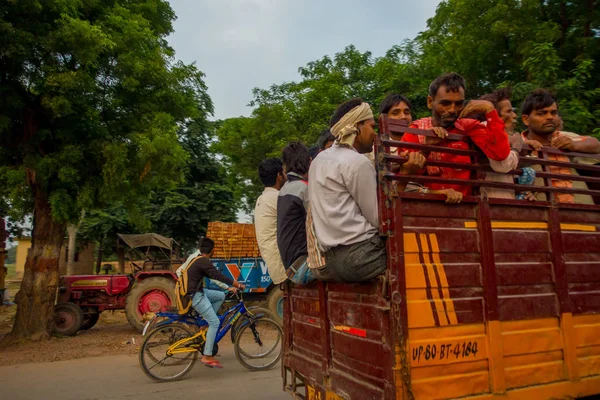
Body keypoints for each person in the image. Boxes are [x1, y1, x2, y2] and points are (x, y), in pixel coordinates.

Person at [308, 98, 425, 282]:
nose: (375, 134)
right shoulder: (357, 162)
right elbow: (382, 219)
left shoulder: (318, 160)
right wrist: (406, 175)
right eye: (371, 127)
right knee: (420, 253)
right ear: (357, 127)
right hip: (362, 257)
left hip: (332, 261)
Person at [401, 73, 513, 197]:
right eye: (445, 103)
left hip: (466, 210)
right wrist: (426, 149)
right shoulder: (415, 132)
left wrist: (489, 109)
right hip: (423, 210)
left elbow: (500, 154)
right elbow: (404, 182)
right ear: (430, 102)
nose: (452, 110)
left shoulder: (468, 127)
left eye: (459, 104)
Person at [380, 93, 463, 203]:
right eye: (395, 113)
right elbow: (395, 189)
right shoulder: (378, 150)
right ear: (383, 119)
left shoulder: (422, 140)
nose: (403, 117)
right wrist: (437, 193)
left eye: (407, 112)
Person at [520, 89, 600, 204]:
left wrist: (574, 145)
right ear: (526, 119)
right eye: (542, 113)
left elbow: (595, 144)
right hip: (542, 212)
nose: (550, 117)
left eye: (553, 113)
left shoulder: (565, 137)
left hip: (582, 211)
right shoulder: (519, 143)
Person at [187, 237, 245, 369]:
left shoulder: (197, 260)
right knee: (216, 322)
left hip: (197, 292)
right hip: (196, 295)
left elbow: (213, 277)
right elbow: (218, 275)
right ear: (212, 250)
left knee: (219, 296)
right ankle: (207, 355)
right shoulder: (203, 261)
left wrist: (227, 288)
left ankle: (205, 322)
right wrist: (237, 284)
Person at [277, 142, 314, 284]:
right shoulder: (304, 189)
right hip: (303, 267)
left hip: (291, 268)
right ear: (309, 162)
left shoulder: (284, 189)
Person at [254, 158, 288, 286]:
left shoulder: (262, 199)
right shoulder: (279, 198)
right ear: (279, 176)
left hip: (274, 266)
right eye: (284, 172)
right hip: (285, 266)